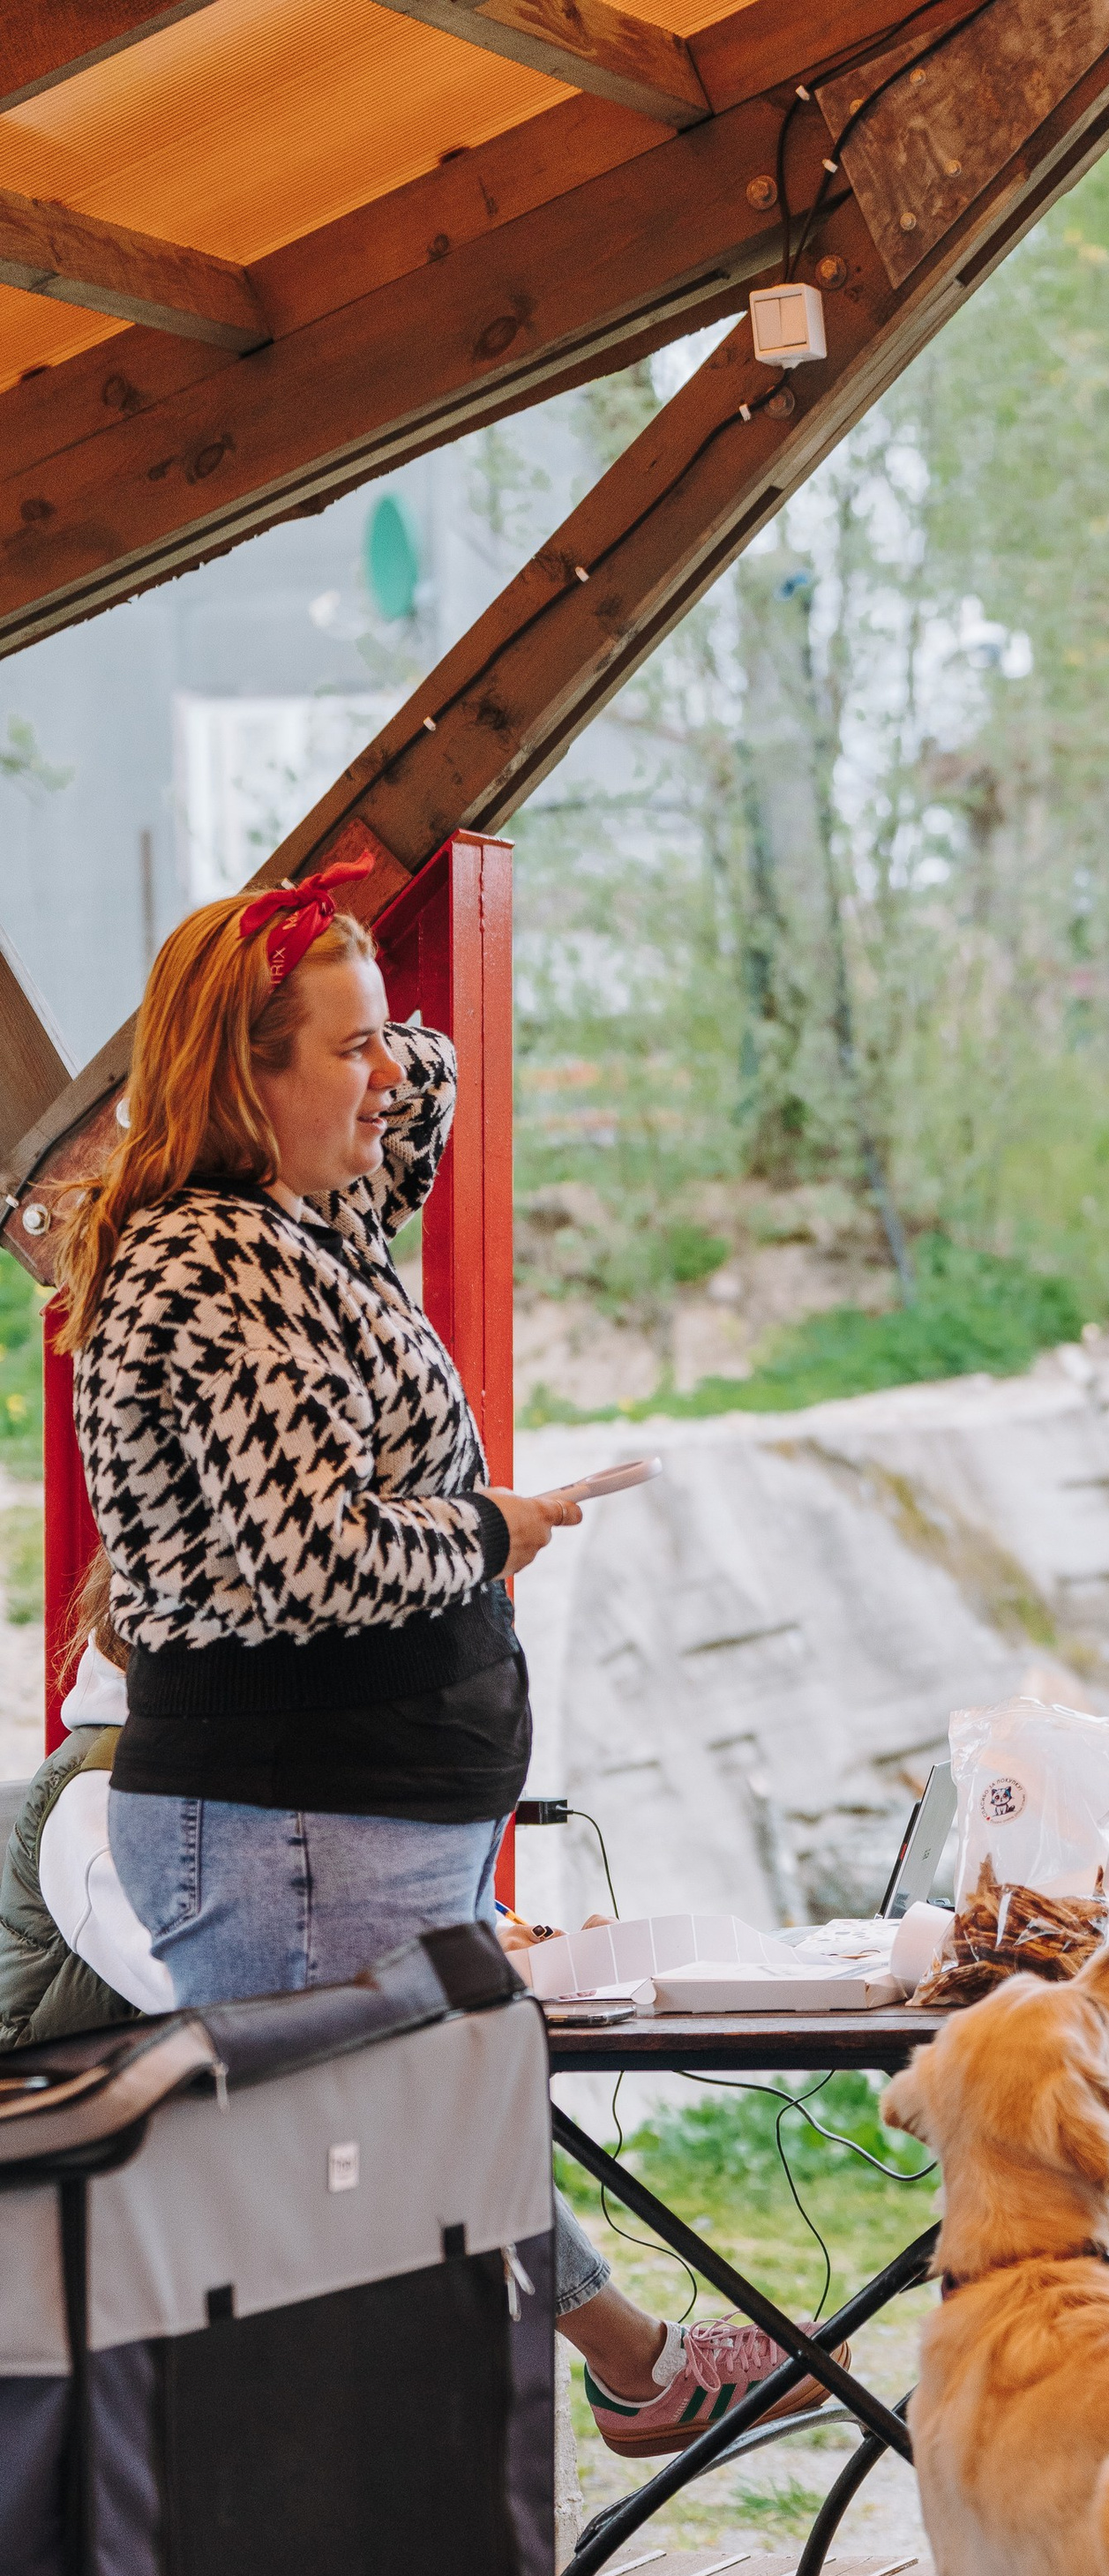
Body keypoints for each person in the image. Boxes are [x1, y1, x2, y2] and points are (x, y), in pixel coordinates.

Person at [53, 866, 819, 2454]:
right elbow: (315, 1556)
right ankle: (387, 2567)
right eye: (344, 1051)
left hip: (347, 1817)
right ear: (244, 1081)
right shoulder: (217, 1260)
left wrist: (355, 996)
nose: (388, 1077)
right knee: (362, 2215)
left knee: (420, 2159)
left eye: (381, 1042)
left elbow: (417, 1114)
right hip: (293, 1827)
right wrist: (492, 1526)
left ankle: (614, 2381)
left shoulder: (300, 1217)